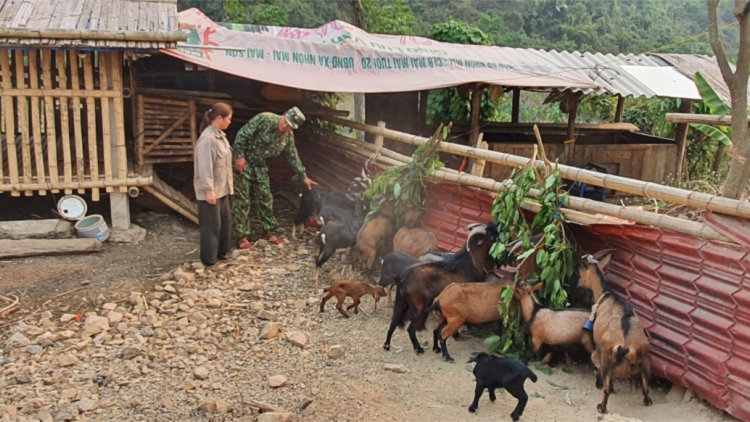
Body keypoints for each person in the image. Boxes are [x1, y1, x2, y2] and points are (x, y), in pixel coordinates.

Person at [232, 107, 318, 249]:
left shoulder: (288, 137)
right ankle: (241, 236)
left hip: (260, 166)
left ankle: (269, 232)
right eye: (286, 122)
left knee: (266, 198)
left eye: (291, 126)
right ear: (284, 114)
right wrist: (239, 156)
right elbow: (242, 135)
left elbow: (292, 156)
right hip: (244, 163)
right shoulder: (264, 119)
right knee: (242, 200)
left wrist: (304, 176)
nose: (286, 126)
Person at [194, 102, 234, 268]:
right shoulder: (207, 139)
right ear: (219, 118)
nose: (230, 122)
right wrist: (209, 190)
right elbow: (205, 167)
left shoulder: (221, 136)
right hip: (211, 191)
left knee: (225, 222)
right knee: (211, 225)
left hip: (222, 188)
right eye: (228, 119)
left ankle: (222, 253)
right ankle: (209, 259)